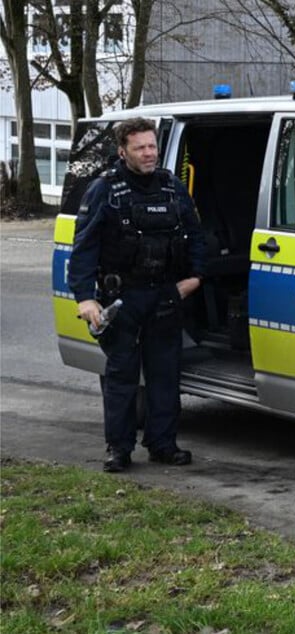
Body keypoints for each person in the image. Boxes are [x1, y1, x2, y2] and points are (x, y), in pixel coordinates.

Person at [69, 117, 206, 473]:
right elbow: (83, 248)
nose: (149, 153)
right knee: (122, 377)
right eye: (140, 147)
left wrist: (195, 277)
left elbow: (196, 235)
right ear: (122, 151)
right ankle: (119, 448)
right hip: (122, 298)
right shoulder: (105, 190)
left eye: (152, 146)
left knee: (165, 375)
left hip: (165, 295)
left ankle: (163, 444)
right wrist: (85, 298)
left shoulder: (173, 187)